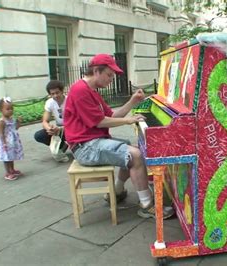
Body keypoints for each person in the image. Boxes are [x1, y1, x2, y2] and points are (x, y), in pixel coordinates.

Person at [64, 53, 174, 219]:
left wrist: (132, 102)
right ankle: (147, 205)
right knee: (135, 155)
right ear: (96, 71)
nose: (111, 80)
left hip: (92, 142)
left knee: (130, 147)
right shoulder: (80, 90)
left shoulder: (92, 91)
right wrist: (129, 120)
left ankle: (116, 192)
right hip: (85, 147)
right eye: (109, 75)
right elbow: (100, 122)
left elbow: (113, 115)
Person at [34, 80, 69, 162]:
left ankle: (74, 146)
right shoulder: (50, 103)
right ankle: (62, 146)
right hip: (58, 128)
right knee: (39, 135)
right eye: (52, 94)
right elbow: (45, 121)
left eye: (57, 92)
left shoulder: (69, 100)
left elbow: (76, 121)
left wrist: (61, 129)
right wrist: (49, 129)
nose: (55, 95)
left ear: (62, 91)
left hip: (70, 128)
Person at [0, 97, 24, 181]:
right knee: (6, 157)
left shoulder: (11, 119)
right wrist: (4, 143)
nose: (10, 110)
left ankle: (12, 169)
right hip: (6, 142)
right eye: (7, 109)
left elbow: (15, 128)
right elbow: (1, 133)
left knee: (11, 156)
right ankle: (8, 172)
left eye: (11, 108)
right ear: (1, 110)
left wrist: (19, 122)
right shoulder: (2, 121)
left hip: (13, 141)